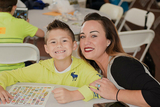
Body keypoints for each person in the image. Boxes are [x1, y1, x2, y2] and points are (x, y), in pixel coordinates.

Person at [0, 19, 102, 104]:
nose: (59, 45)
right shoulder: (40, 68)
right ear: (46, 49)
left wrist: (74, 95)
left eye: (64, 40)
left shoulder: (84, 68)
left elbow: (102, 86)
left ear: (74, 45)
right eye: (53, 42)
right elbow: (10, 75)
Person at [78, 12, 160, 107]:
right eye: (82, 36)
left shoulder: (121, 65)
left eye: (94, 36)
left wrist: (115, 93)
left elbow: (157, 96)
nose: (86, 42)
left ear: (108, 41)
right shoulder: (96, 67)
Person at [0, 0, 45, 72]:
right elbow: (42, 34)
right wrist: (25, 25)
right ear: (14, 7)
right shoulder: (22, 23)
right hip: (16, 70)